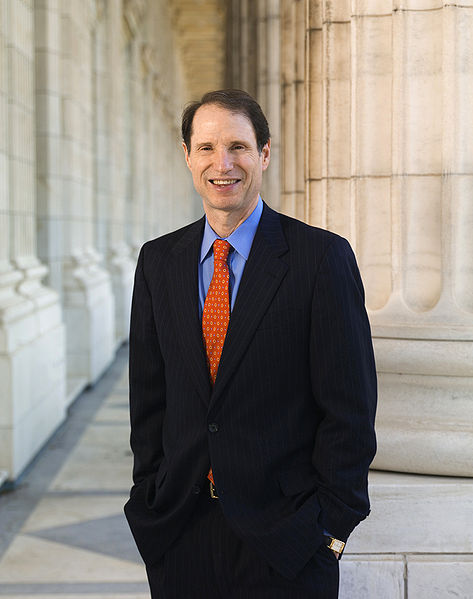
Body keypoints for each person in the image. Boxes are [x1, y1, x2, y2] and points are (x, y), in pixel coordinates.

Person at [124, 89, 377, 599]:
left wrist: (327, 532)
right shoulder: (158, 262)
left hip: (288, 541)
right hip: (182, 535)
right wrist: (149, 504)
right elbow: (148, 401)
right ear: (187, 155)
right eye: (207, 148)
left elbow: (350, 412)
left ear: (264, 153)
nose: (223, 164)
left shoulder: (320, 259)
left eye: (238, 146)